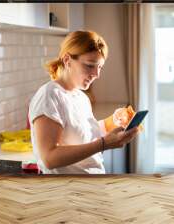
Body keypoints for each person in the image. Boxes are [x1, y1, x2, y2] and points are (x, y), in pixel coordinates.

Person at [29, 30, 142, 174]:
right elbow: (49, 158)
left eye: (99, 67)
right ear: (67, 60)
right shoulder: (49, 95)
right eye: (90, 65)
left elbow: (84, 133)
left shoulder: (81, 96)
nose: (97, 74)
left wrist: (113, 121)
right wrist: (103, 144)